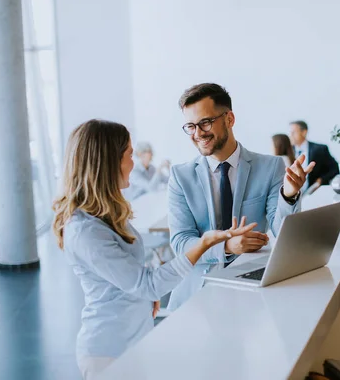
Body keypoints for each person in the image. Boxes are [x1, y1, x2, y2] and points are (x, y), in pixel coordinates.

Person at [52, 119, 256, 380]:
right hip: (109, 353)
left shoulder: (106, 214)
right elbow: (146, 284)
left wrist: (145, 295)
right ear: (107, 161)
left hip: (134, 339)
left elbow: (131, 277)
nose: (134, 163)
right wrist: (204, 243)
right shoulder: (84, 231)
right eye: (129, 154)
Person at [167, 83, 315, 310]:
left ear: (229, 119)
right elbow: (180, 243)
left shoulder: (270, 166)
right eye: (190, 126)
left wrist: (289, 195)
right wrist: (227, 246)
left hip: (252, 288)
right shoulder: (180, 177)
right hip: (195, 295)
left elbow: (281, 232)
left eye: (205, 122)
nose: (197, 134)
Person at [289, 120, 340, 192]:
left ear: (304, 132)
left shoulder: (320, 149)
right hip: (292, 194)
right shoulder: (288, 151)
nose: (290, 135)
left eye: (293, 132)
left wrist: (321, 180)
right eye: (290, 132)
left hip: (314, 193)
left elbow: (335, 168)